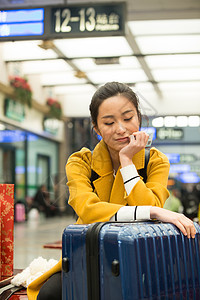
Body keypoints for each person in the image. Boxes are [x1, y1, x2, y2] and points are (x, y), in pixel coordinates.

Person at [27, 82, 196, 300]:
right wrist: (152, 213)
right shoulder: (80, 162)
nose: (120, 128)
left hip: (139, 259)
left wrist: (127, 161)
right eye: (109, 122)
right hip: (88, 255)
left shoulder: (155, 161)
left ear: (139, 119)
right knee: (49, 295)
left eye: (128, 118)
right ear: (96, 128)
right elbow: (88, 211)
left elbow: (149, 203)